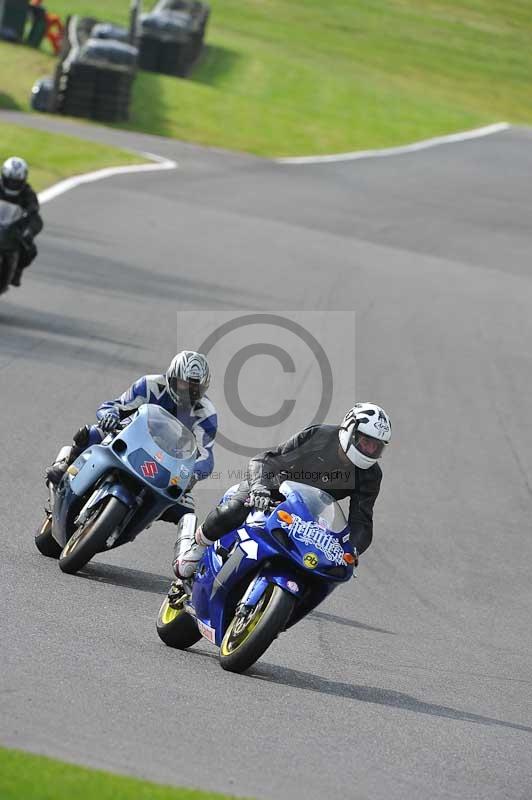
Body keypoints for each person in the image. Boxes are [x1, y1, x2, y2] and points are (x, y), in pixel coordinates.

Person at [173, 402, 391, 578]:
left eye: (376, 446)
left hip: (310, 512)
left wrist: (352, 548)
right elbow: (268, 460)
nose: (369, 450)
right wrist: (260, 487)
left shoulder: (371, 475)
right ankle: (197, 546)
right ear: (350, 431)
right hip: (272, 488)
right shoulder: (320, 437)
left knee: (323, 563)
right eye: (365, 442)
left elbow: (362, 521)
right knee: (234, 509)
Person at [47, 351, 217, 523]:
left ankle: (186, 547)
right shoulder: (150, 384)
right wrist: (110, 416)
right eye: (183, 385)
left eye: (195, 389)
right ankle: (67, 466)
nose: (188, 392)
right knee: (91, 433)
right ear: (171, 377)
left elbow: (206, 456)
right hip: (132, 439)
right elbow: (114, 406)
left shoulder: (206, 412)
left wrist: (193, 474)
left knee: (186, 510)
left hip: (168, 462)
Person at [0, 157, 43, 286]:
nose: (12, 184)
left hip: (14, 226)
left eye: (16, 181)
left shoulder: (28, 193)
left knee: (30, 250)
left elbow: (34, 210)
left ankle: (17, 271)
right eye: (10, 180)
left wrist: (28, 230)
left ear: (23, 180)